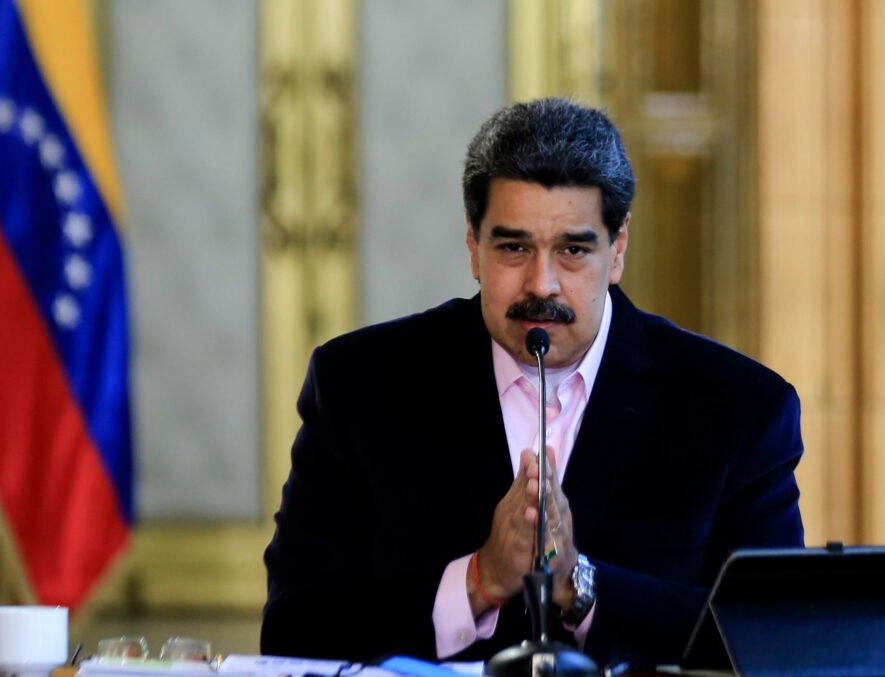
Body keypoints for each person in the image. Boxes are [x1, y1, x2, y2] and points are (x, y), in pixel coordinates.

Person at [261, 98, 805, 666]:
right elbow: (294, 630)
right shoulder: (361, 386)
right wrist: (479, 581)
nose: (541, 284)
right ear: (473, 244)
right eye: (514, 248)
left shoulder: (738, 408)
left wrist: (579, 586)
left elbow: (774, 642)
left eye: (573, 250)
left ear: (617, 249)